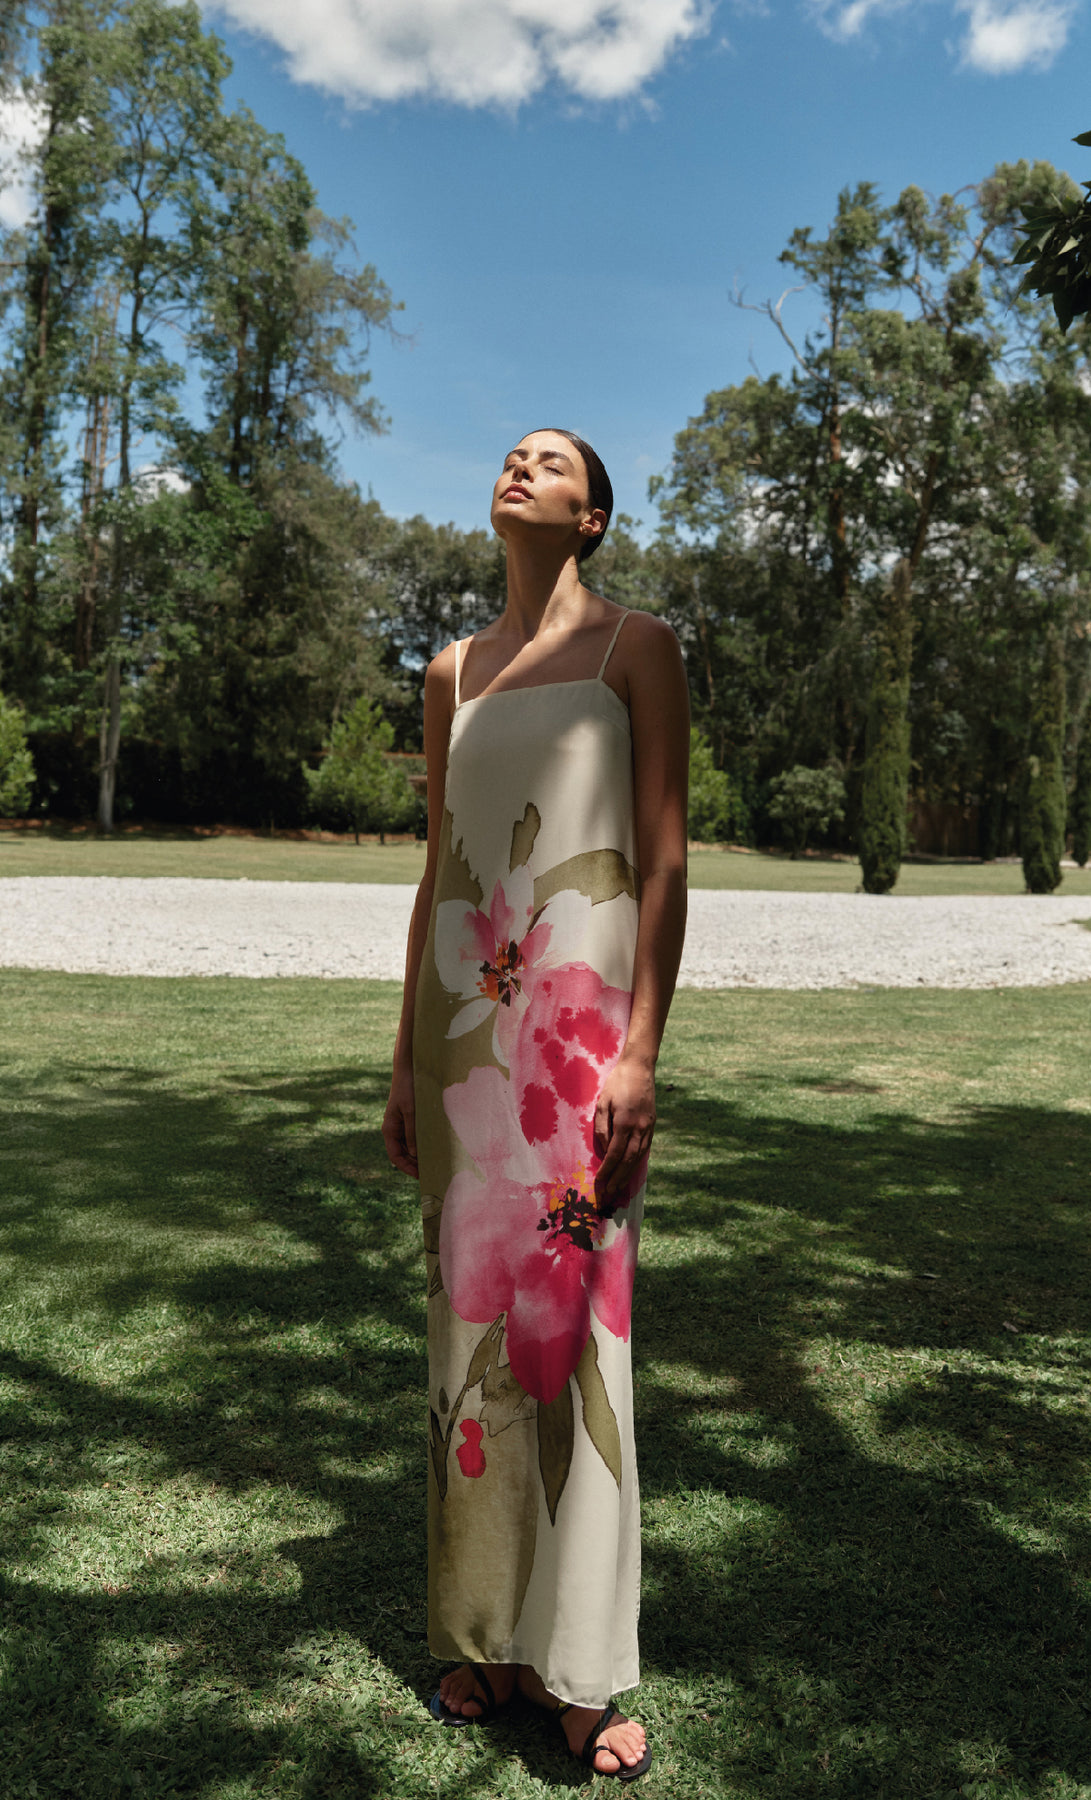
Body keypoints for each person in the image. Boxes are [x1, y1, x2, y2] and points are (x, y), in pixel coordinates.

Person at [382, 428, 689, 1781]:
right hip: (467, 1045)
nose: (519, 467)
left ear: (592, 517)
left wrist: (641, 1052)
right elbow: (436, 873)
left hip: (580, 1049)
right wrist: (405, 1058)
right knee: (469, 1345)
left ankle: (582, 1665)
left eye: (551, 461)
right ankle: (490, 1636)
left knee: (580, 1347)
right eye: (509, 454)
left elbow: (664, 862)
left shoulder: (637, 650)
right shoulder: (449, 672)